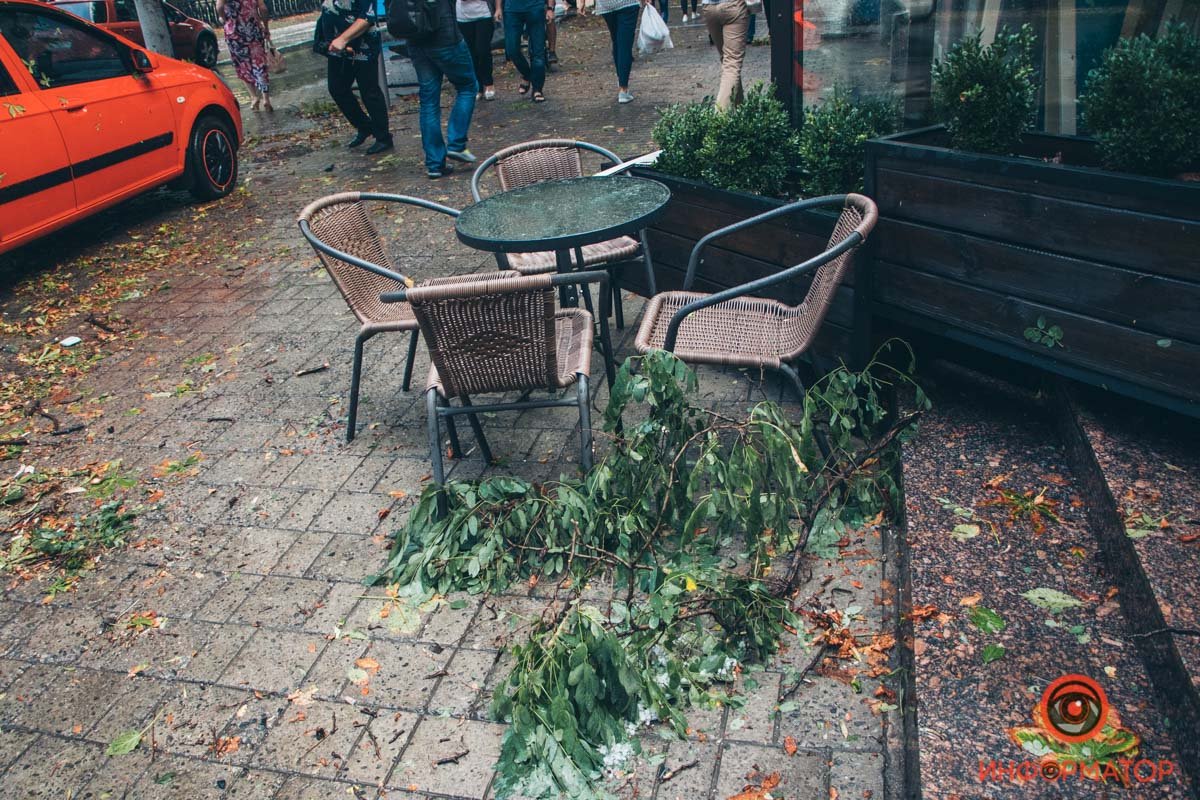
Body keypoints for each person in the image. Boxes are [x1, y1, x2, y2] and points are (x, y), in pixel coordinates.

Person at [408, 0, 479, 177]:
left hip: (416, 39)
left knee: (428, 102)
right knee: (468, 87)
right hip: (445, 37)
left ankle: (434, 164)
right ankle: (456, 144)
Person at [321, 0, 393, 154]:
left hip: (363, 46)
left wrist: (343, 39)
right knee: (337, 88)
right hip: (337, 46)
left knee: (369, 91)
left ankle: (383, 137)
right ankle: (365, 126)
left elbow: (367, 18)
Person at [216, 0, 272, 111]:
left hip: (235, 33)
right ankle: (266, 98)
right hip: (254, 30)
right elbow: (263, 9)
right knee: (260, 64)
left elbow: (219, 6)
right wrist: (265, 27)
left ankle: (254, 96)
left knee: (242, 64)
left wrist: (225, 19)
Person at [700, 0, 747, 110]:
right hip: (733, 5)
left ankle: (741, 109)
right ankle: (719, 119)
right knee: (731, 63)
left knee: (727, 60)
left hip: (709, 8)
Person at [503, 0, 552, 102]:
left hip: (535, 8)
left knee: (538, 51)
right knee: (511, 49)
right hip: (512, 9)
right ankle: (527, 74)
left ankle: (537, 89)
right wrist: (498, 8)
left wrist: (550, 8)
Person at [596, 0, 643, 103]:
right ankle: (623, 88)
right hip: (627, 3)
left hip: (606, 5)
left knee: (616, 41)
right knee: (624, 44)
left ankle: (621, 79)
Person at [457, 0, 497, 99]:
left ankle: (488, 83)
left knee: (483, 50)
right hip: (463, 18)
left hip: (483, 15)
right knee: (471, 53)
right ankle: (478, 86)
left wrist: (498, 8)